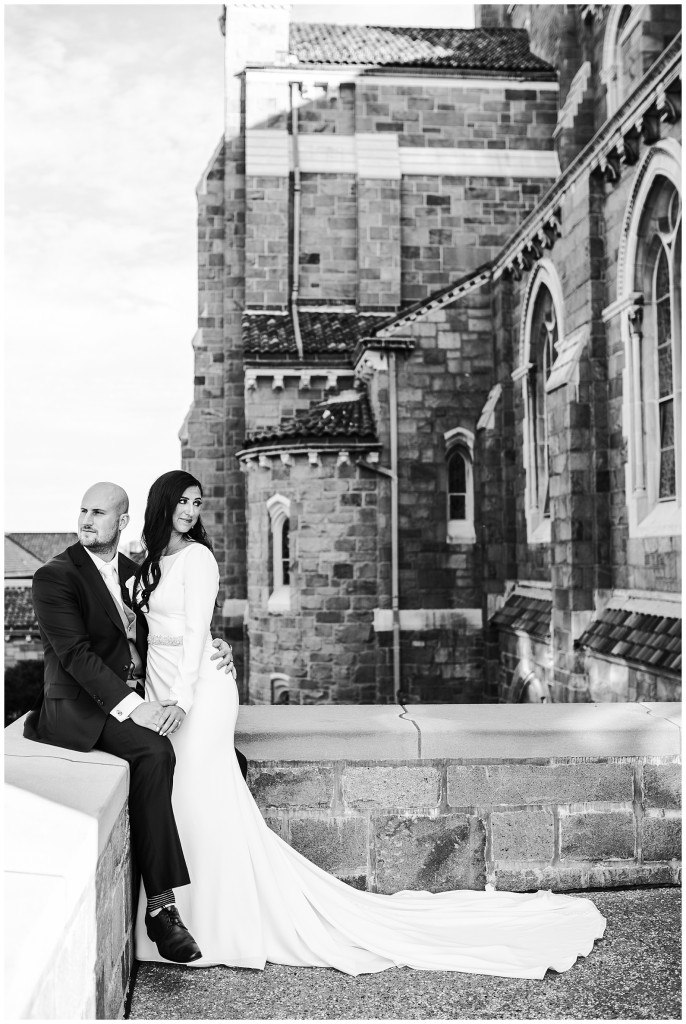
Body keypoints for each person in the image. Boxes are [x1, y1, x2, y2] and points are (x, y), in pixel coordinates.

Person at [134, 469, 607, 978]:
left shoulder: (199, 559)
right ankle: (180, 913)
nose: (190, 511)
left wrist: (180, 700)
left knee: (202, 796)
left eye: (198, 502)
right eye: (182, 501)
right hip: (161, 689)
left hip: (198, 693)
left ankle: (223, 923)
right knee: (179, 798)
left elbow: (196, 630)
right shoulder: (145, 566)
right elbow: (145, 634)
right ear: (163, 503)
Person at [25, 480, 245, 965]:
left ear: (123, 522)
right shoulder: (54, 576)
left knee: (219, 759)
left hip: (147, 693)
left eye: (100, 513)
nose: (87, 520)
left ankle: (216, 883)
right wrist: (134, 707)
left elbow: (176, 622)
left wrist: (215, 646)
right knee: (154, 750)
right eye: (83, 510)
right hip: (82, 707)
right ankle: (162, 909)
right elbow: (77, 657)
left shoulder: (138, 570)